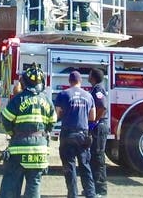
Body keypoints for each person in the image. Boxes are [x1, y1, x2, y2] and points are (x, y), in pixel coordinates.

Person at [0, 65, 55, 198]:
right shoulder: (47, 100)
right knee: (34, 185)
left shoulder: (18, 99)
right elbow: (52, 123)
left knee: (11, 185)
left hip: (19, 148)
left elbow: (5, 119)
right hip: (40, 149)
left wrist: (12, 133)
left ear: (24, 82)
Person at [54, 70, 96, 198]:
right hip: (83, 135)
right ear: (80, 81)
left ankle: (72, 194)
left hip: (67, 134)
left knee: (69, 166)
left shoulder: (63, 94)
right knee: (85, 165)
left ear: (69, 81)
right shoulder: (88, 96)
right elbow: (93, 117)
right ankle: (90, 193)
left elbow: (57, 114)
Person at [87, 69, 109, 198]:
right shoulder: (95, 89)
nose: (88, 76)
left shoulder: (98, 89)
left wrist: (95, 120)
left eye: (90, 74)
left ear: (93, 77)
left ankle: (101, 190)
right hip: (98, 127)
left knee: (98, 157)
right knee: (93, 157)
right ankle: (94, 188)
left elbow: (102, 106)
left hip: (99, 127)